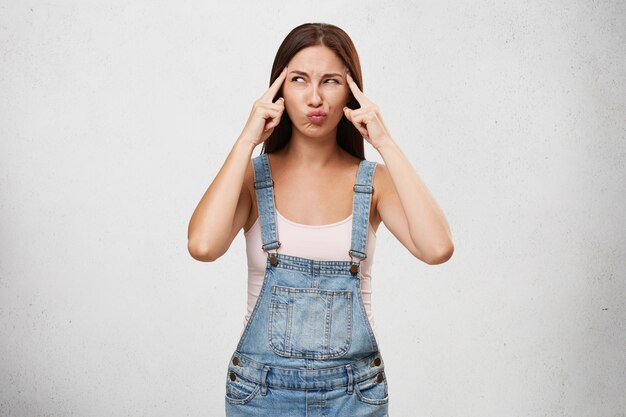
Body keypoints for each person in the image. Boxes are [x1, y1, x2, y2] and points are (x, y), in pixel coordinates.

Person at [187, 22, 454, 417]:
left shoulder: (374, 183)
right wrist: (247, 140)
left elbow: (437, 248)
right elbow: (203, 246)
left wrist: (385, 142)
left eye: (330, 81)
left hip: (354, 397)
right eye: (298, 80)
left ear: (351, 91)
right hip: (260, 397)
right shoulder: (251, 178)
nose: (315, 97)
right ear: (278, 91)